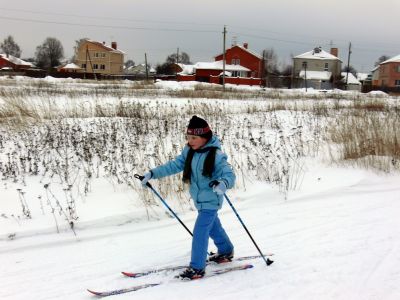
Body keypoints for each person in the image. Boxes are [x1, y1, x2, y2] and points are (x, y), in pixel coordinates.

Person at [140, 115, 236, 280]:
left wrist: (223, 183)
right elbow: (175, 165)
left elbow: (229, 174)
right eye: (188, 137)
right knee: (213, 228)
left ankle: (197, 268)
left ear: (205, 138)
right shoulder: (189, 152)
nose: (189, 141)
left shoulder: (216, 155)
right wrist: (152, 173)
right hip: (199, 199)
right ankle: (226, 251)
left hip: (211, 200)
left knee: (200, 231)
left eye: (194, 137)